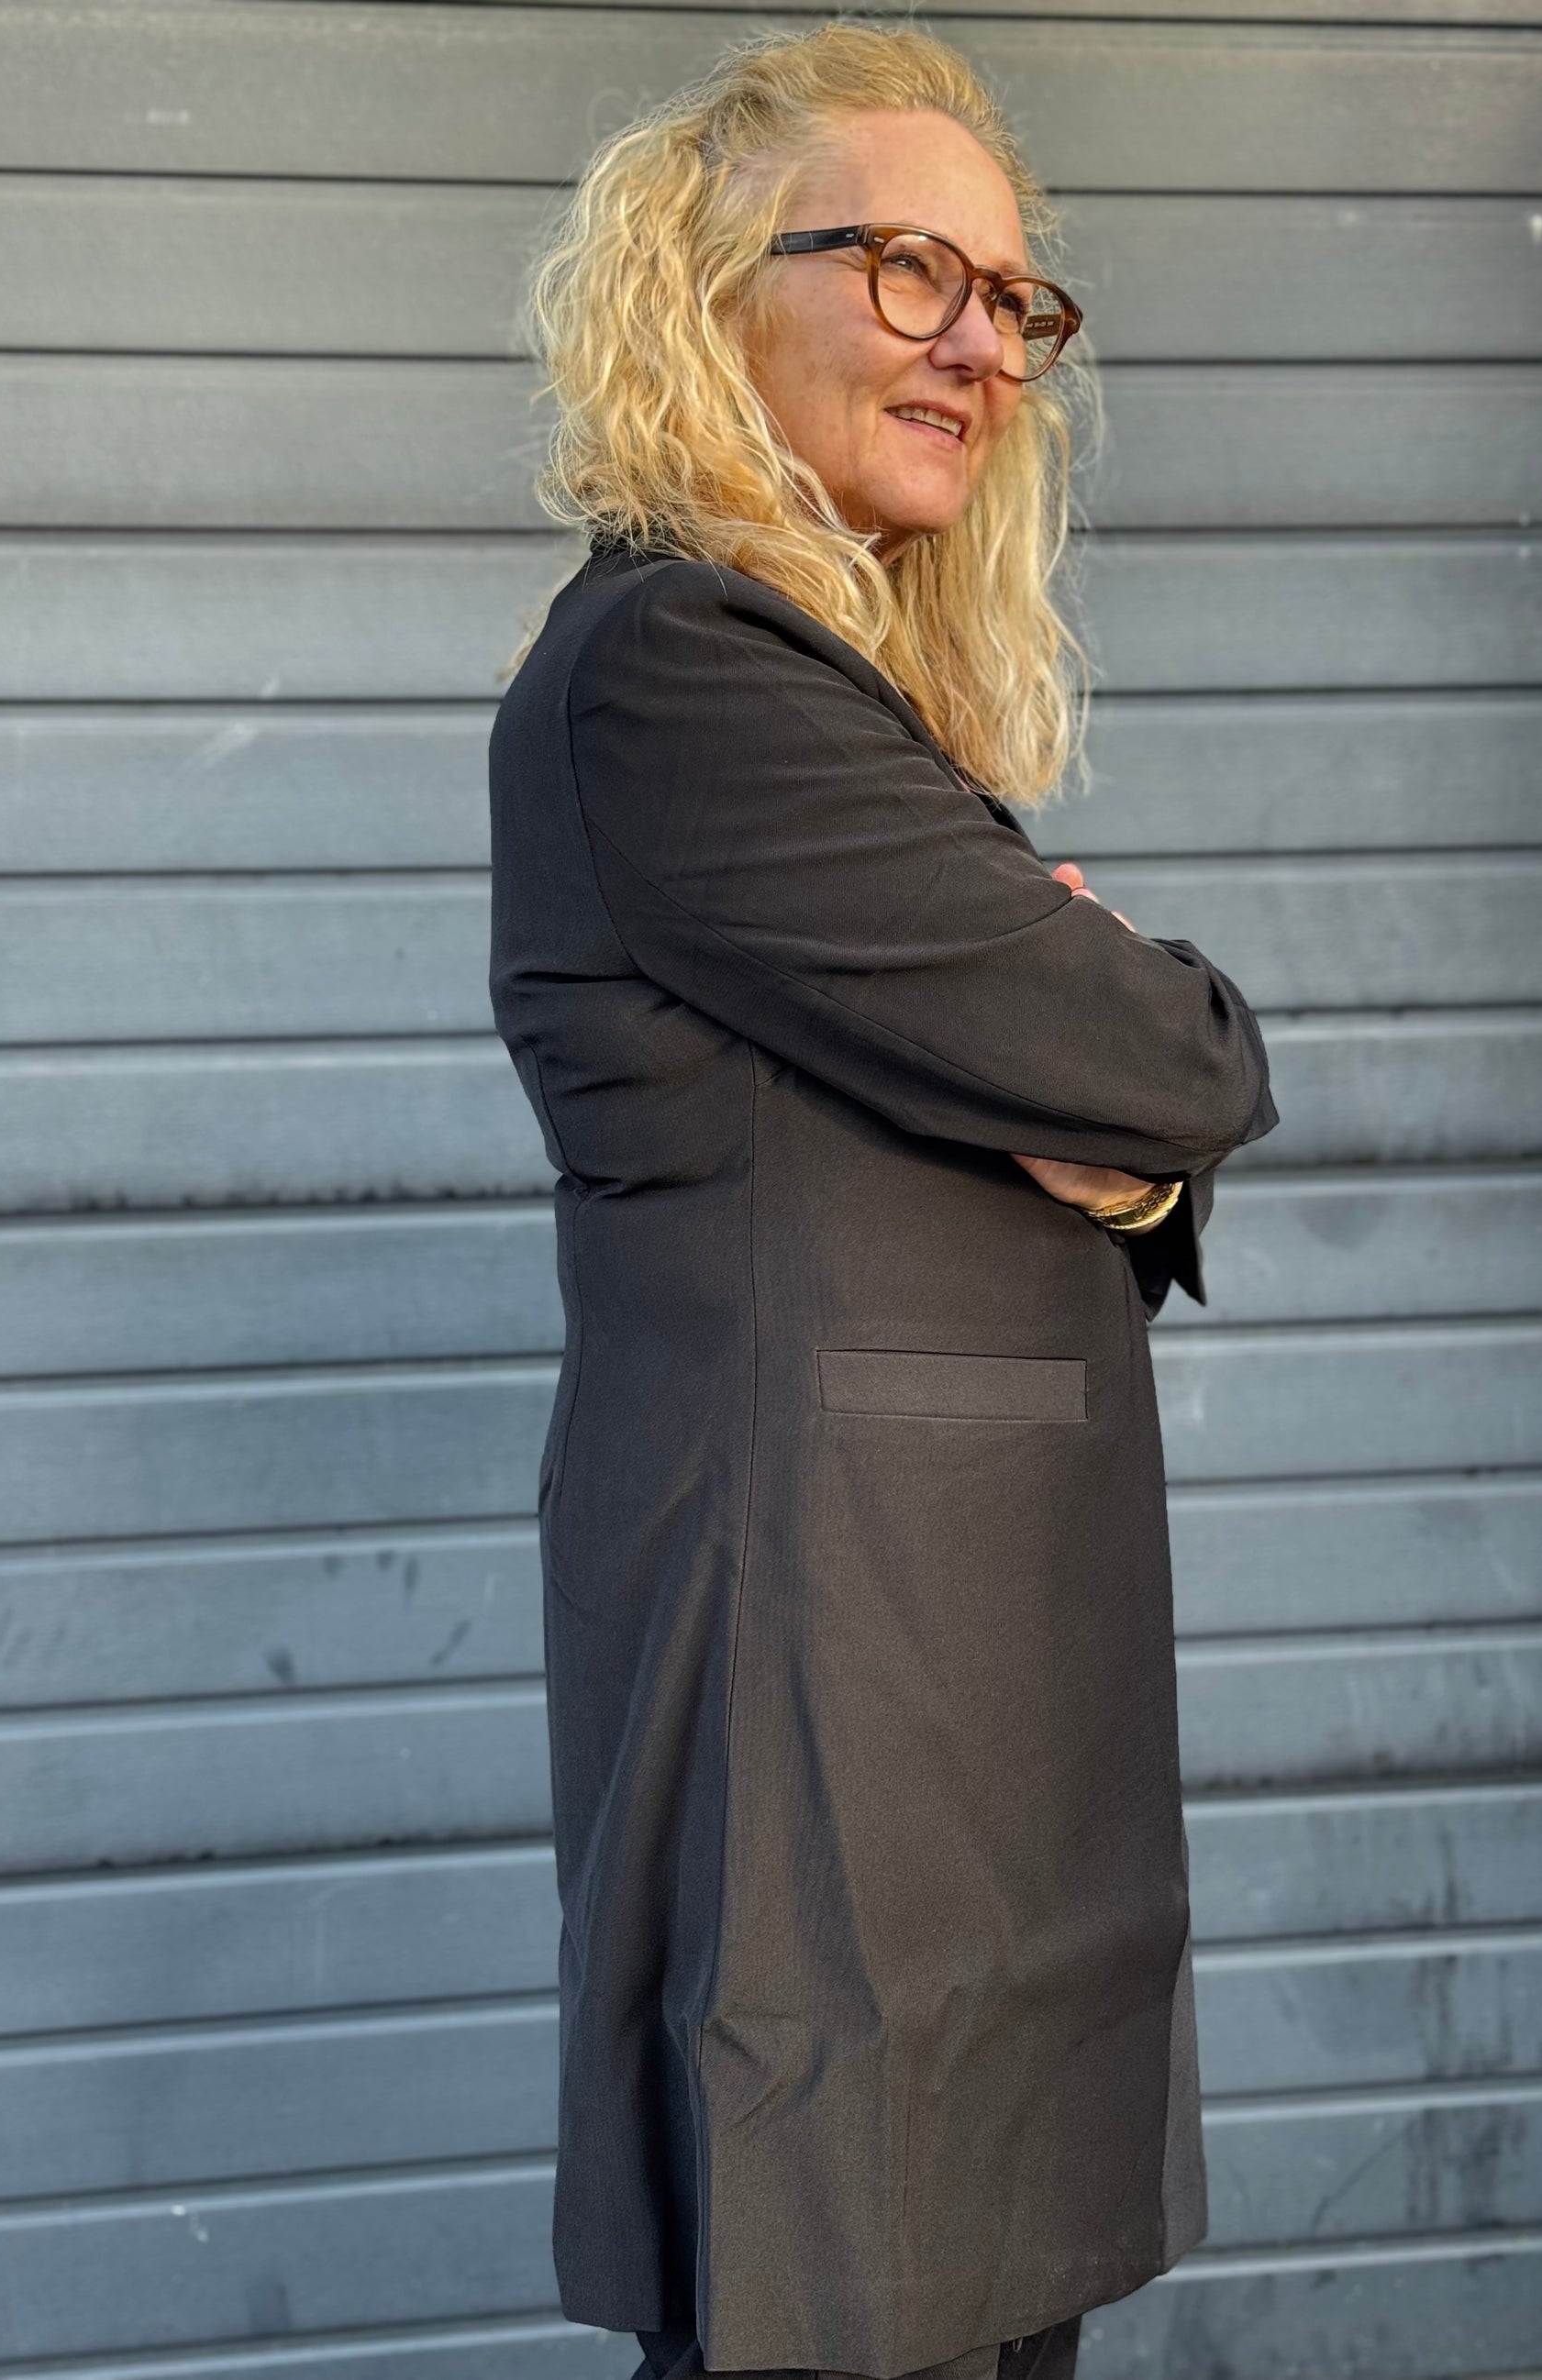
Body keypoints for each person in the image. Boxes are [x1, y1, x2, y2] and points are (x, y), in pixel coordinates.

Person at [487, 23, 1279, 2380]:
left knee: (967, 2306)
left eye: (1011, 298)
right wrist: (1116, 1064)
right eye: (908, 267)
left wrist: (1111, 1136)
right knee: (837, 2309)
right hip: (823, 1702)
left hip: (939, 1701)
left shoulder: (835, 691)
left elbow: (1118, 1106)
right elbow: (1179, 1055)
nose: (978, 344)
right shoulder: (685, 670)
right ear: (711, 289)